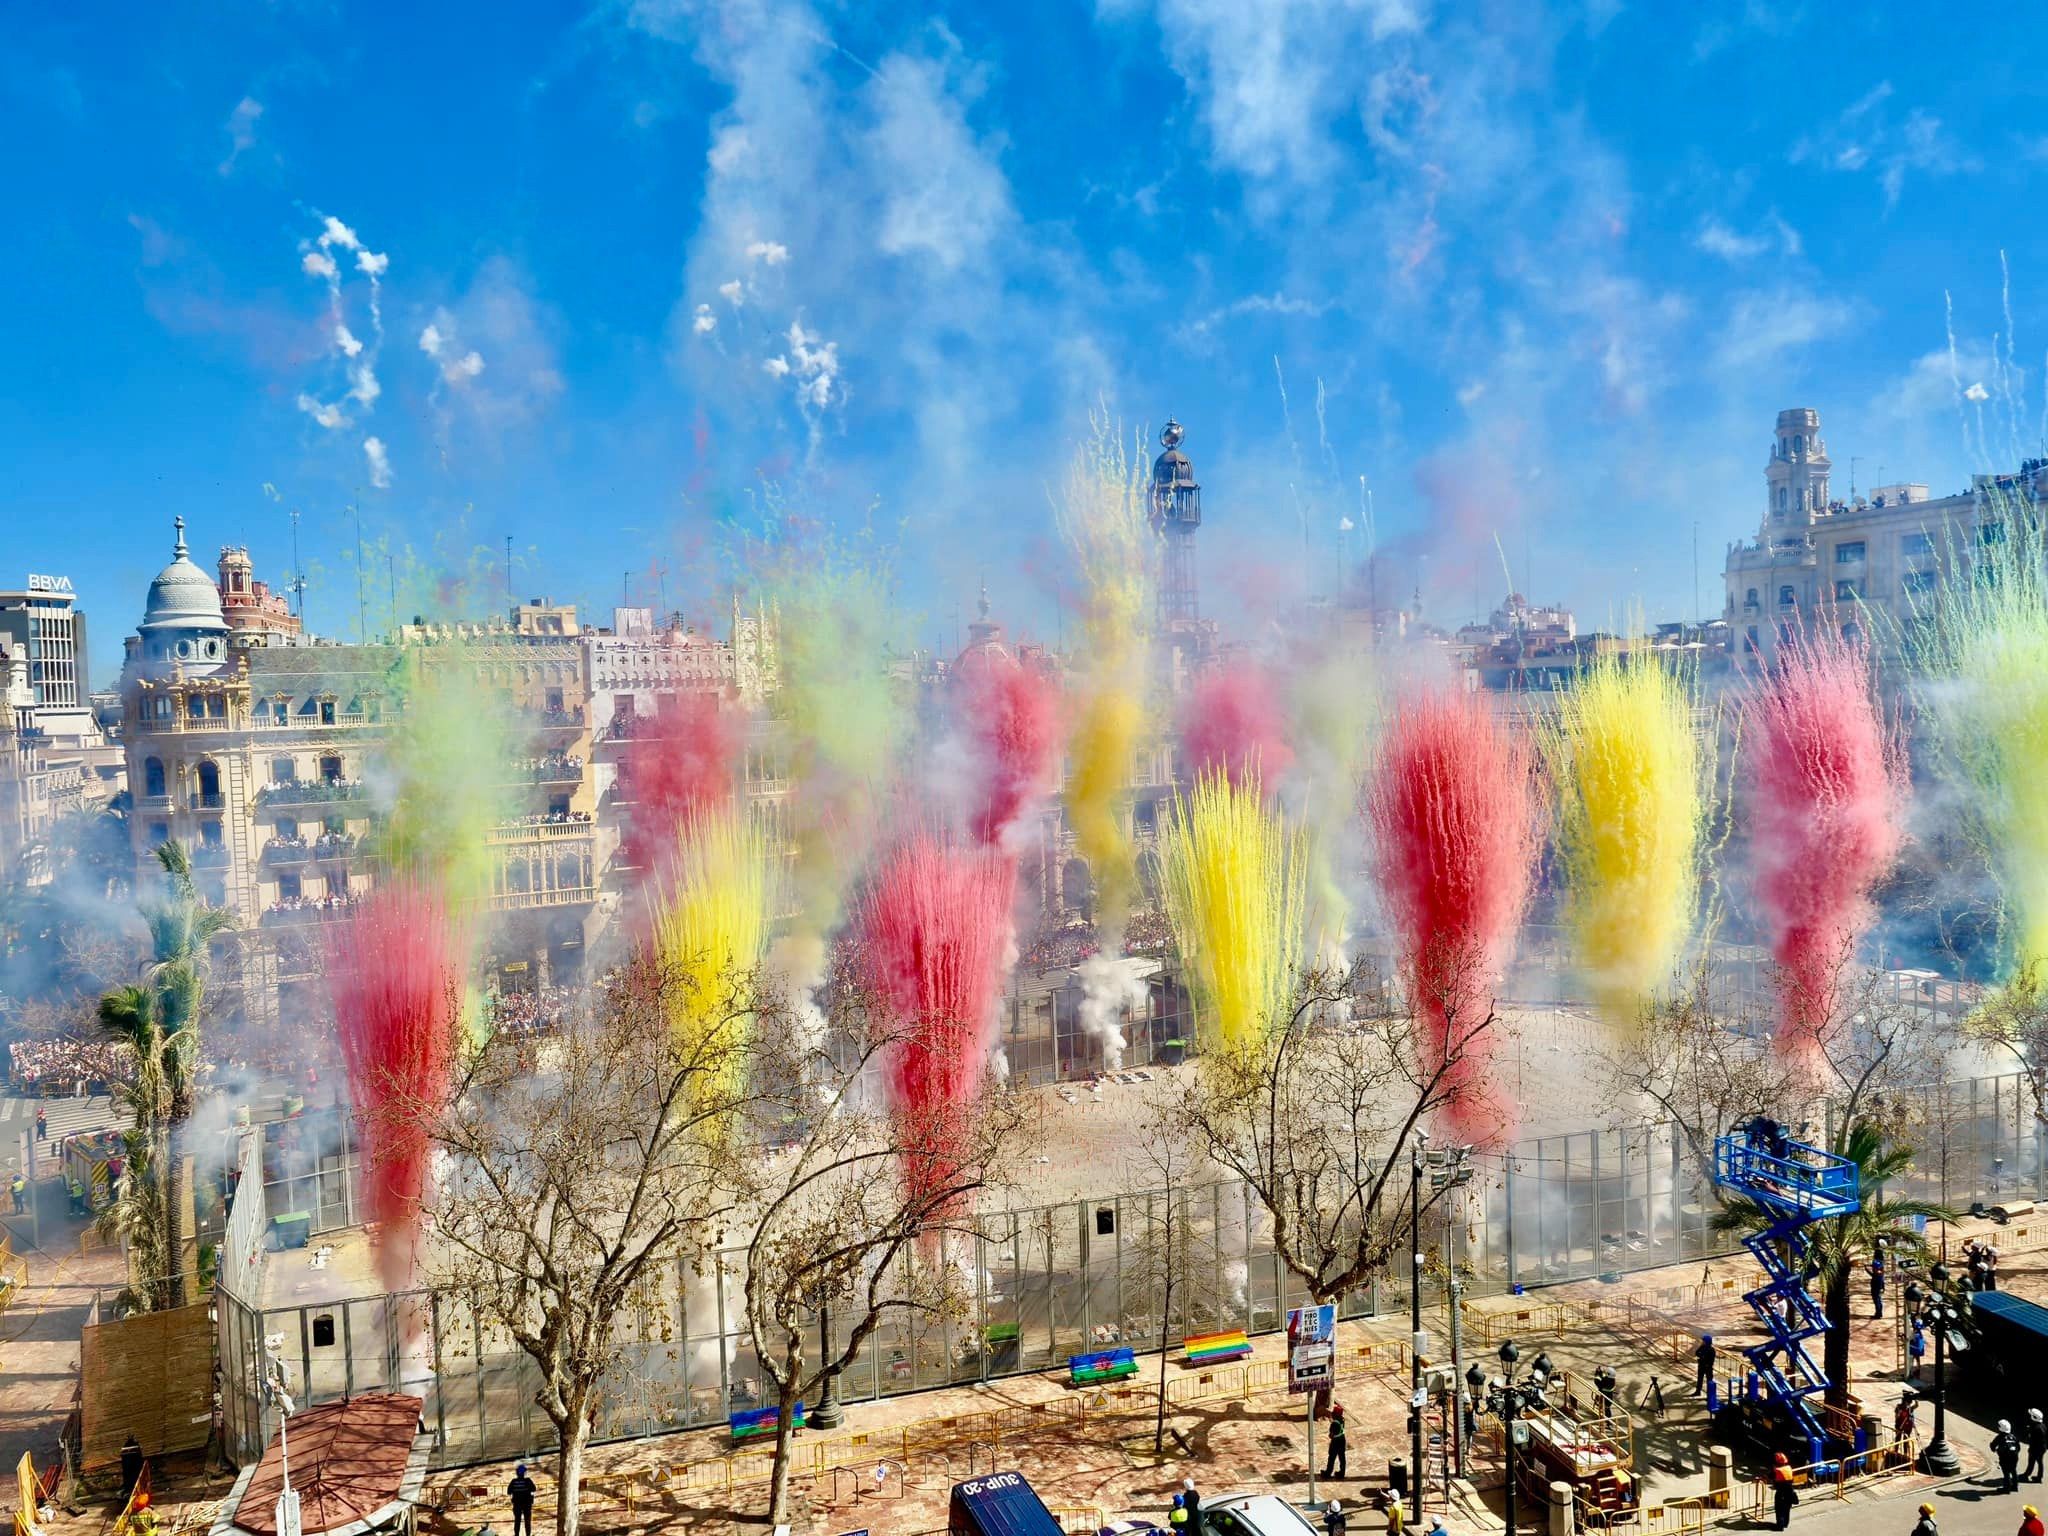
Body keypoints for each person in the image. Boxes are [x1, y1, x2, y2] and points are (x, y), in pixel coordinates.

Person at [507, 1462, 537, 1536]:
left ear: (517, 1473)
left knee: (517, 1521)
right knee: (527, 1521)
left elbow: (509, 1492)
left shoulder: (513, 1482)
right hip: (527, 1505)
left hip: (517, 1505)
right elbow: (534, 1489)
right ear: (524, 1473)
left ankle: (516, 1534)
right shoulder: (528, 1481)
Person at [1772, 1452, 1798, 1531]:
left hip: (1781, 1493)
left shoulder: (1776, 1470)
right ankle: (1786, 1524)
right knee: (1787, 1509)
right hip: (1789, 1492)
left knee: (1779, 1510)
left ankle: (1780, 1526)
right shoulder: (1789, 1468)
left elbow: (1770, 1476)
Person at [1323, 1402, 1348, 1479]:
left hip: (1336, 1441)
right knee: (1342, 1457)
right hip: (1342, 1439)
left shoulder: (1334, 1424)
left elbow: (1331, 1435)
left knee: (1332, 1457)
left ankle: (1328, 1473)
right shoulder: (1342, 1420)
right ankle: (1342, 1473)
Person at [1996, 1421, 2023, 1493]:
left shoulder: (2000, 1437)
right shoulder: (2013, 1437)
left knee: (2006, 1473)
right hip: (2014, 1457)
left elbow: (1993, 1445)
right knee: (2014, 1471)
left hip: (2005, 1458)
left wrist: (1996, 1450)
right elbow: (2018, 1447)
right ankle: (2015, 1486)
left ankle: (2006, 1489)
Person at [2027, 1409, 2047, 1484]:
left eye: (2031, 1416)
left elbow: (2032, 1440)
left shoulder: (2036, 1428)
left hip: (2036, 1448)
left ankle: (2026, 1475)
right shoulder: (2043, 1426)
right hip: (2042, 1448)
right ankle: (2039, 1477)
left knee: (2031, 1462)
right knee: (2040, 1462)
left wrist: (2030, 1449)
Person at [1871, 1252, 1888, 1318]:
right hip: (1880, 1284)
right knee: (1879, 1299)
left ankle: (1878, 1313)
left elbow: (1875, 1274)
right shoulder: (1881, 1264)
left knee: (1877, 1299)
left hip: (1876, 1286)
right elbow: (1874, 1275)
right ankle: (1879, 1313)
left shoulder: (1876, 1265)